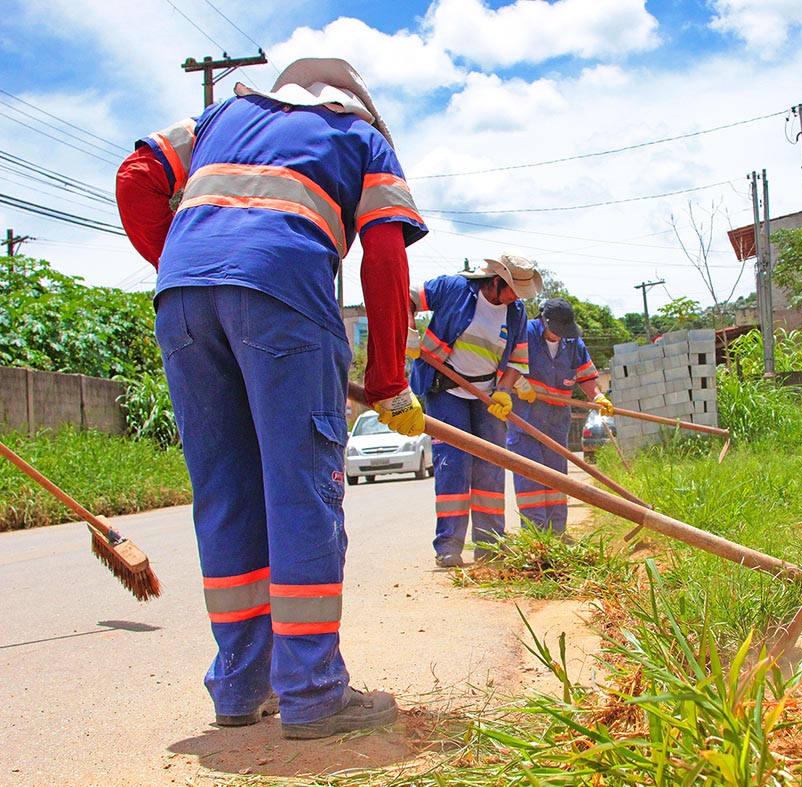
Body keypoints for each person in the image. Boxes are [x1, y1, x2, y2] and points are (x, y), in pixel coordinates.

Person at [114, 58, 427, 740]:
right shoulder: (362, 139)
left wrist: (183, 262)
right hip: (285, 298)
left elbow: (137, 177)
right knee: (300, 490)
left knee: (225, 489)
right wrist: (388, 381)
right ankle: (313, 691)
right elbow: (383, 256)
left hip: (184, 302)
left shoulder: (219, 117)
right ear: (357, 104)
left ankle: (240, 685)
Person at [408, 254, 542, 568]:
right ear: (496, 280)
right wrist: (409, 332)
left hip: (486, 395)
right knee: (454, 464)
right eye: (512, 290)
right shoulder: (454, 288)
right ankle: (449, 546)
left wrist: (504, 391)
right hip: (444, 386)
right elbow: (406, 296)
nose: (515, 298)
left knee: (492, 465)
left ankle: (491, 545)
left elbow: (517, 362)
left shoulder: (516, 312)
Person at [507, 299, 612, 536]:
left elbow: (586, 376)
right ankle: (536, 536)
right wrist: (520, 382)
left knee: (557, 479)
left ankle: (557, 534)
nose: (560, 335)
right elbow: (502, 364)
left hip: (555, 420)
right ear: (543, 320)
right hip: (525, 419)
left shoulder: (573, 342)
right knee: (530, 477)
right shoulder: (524, 332)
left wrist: (597, 398)